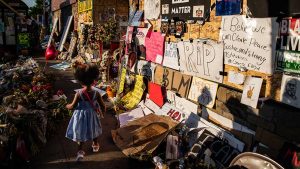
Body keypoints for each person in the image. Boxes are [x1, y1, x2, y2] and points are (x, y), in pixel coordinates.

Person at [65, 64, 106, 161]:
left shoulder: (78, 94)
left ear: (80, 81)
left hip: (80, 117)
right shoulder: (96, 93)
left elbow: (72, 106)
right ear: (93, 80)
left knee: (80, 133)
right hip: (92, 115)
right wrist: (102, 112)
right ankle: (95, 145)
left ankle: (80, 153)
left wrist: (66, 106)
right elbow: (103, 105)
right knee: (94, 129)